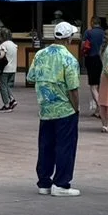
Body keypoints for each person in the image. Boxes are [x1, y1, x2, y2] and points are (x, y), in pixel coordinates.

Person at [27, 21, 82, 195]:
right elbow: (73, 89)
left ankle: (44, 182)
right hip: (64, 109)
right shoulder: (69, 59)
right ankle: (61, 183)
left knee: (46, 145)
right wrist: (76, 109)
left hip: (45, 108)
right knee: (65, 146)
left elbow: (31, 76)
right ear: (69, 38)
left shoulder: (40, 54)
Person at [81, 19, 107, 117]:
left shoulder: (88, 32)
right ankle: (97, 110)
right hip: (102, 59)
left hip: (91, 58)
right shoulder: (104, 33)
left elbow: (84, 44)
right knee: (99, 84)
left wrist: (82, 53)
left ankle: (100, 107)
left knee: (93, 85)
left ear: (92, 22)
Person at [0, 31, 19, 110]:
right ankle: (12, 99)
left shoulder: (3, 45)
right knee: (7, 85)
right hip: (13, 68)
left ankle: (6, 105)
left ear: (2, 36)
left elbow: (1, 56)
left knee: (2, 86)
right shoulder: (14, 45)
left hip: (5, 69)